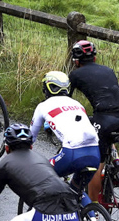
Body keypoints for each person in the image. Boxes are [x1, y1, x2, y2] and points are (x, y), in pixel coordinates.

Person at [0, 123, 82, 221]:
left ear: (7, 149)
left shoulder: (4, 164)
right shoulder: (41, 158)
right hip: (72, 210)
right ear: (31, 147)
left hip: (44, 211)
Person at [67, 40, 119, 198]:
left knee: (94, 165)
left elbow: (65, 99)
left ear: (76, 60)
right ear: (94, 57)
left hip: (104, 116)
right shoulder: (108, 70)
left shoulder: (74, 75)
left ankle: (93, 210)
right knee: (106, 133)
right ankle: (117, 163)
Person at [30, 71, 100, 199]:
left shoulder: (43, 106)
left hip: (72, 154)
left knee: (41, 174)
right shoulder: (77, 104)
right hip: (95, 154)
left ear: (47, 88)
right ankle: (92, 216)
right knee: (76, 190)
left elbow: (31, 138)